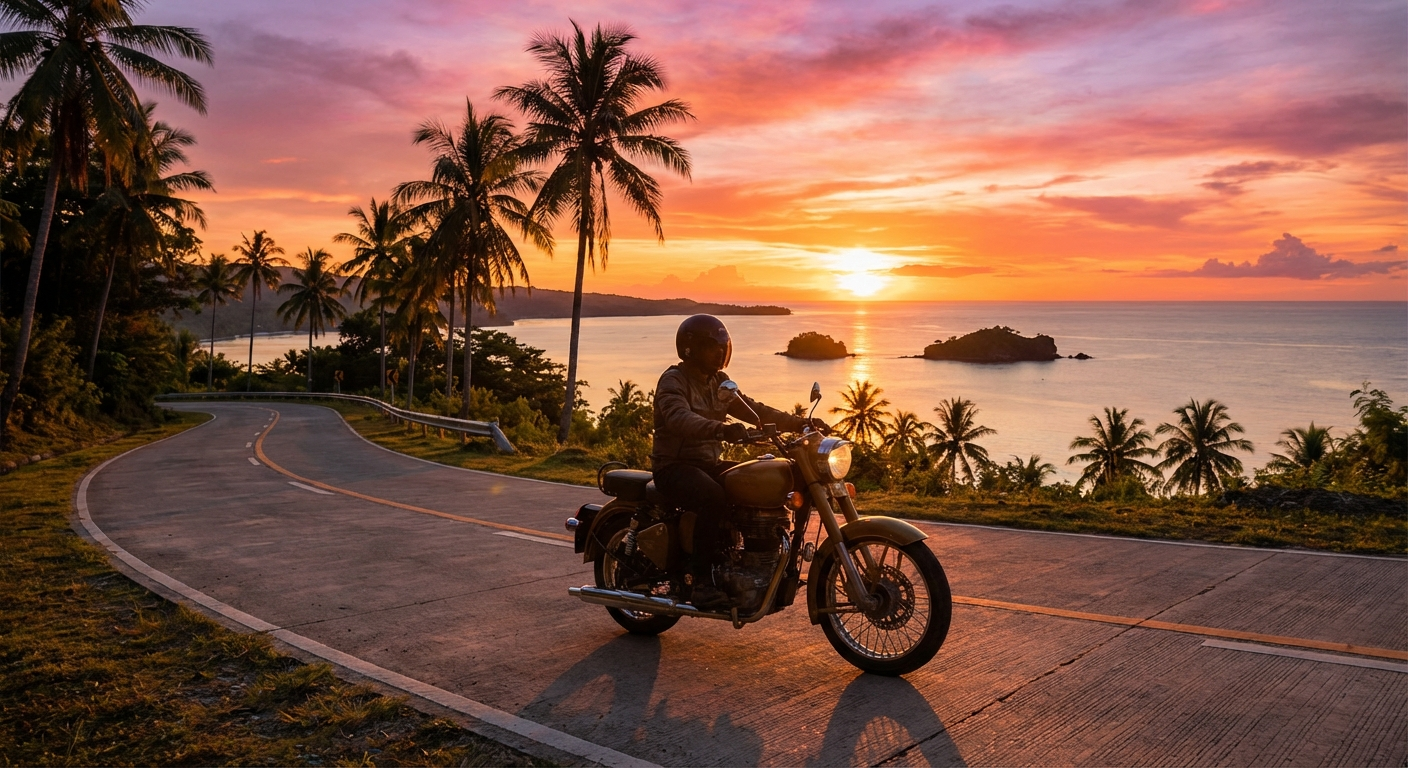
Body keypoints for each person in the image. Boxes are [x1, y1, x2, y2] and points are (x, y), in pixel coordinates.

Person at [651, 314, 826, 607]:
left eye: (722, 347)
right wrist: (721, 429)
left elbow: (753, 409)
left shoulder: (718, 381)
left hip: (707, 463)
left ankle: (751, 560)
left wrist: (799, 424)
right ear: (691, 349)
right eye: (712, 348)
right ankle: (702, 583)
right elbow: (679, 418)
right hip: (674, 465)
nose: (720, 354)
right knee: (712, 497)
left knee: (760, 483)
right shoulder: (673, 380)